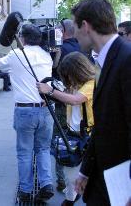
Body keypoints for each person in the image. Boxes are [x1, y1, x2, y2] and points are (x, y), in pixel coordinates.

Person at [72, 0, 131, 205]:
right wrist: (85, 171)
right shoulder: (103, 60)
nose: (74, 34)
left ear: (85, 26)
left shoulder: (126, 58)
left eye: (75, 27)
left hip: (121, 185)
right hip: (103, 179)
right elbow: (103, 123)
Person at [0, 24, 54, 203]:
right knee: (43, 149)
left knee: (24, 152)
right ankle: (46, 183)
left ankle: (25, 189)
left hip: (24, 110)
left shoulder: (16, 54)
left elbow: (1, 66)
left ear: (22, 38)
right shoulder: (47, 56)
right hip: (45, 109)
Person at [37, 51, 95, 206]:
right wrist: (51, 98)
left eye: (69, 75)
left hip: (88, 136)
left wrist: (50, 91)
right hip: (73, 134)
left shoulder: (91, 84)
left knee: (75, 174)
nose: (67, 79)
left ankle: (71, 199)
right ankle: (72, 197)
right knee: (71, 172)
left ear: (77, 71)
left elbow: (75, 100)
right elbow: (67, 99)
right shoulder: (75, 85)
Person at [53, 18, 82, 192]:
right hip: (82, 102)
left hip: (64, 101)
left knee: (61, 140)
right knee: (78, 139)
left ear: (63, 32)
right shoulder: (85, 48)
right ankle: (78, 178)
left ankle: (63, 181)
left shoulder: (60, 50)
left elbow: (54, 69)